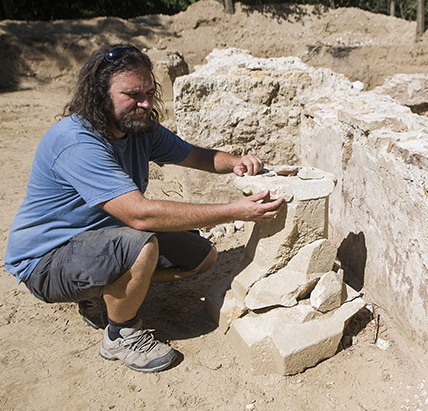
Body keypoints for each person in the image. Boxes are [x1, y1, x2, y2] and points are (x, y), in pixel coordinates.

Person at [4, 45, 284, 373]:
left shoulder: (139, 128)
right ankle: (120, 335)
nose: (146, 103)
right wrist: (233, 211)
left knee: (202, 257)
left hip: (101, 237)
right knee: (141, 246)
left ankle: (105, 296)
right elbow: (141, 214)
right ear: (99, 94)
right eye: (133, 94)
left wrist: (237, 162)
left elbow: (196, 156)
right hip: (46, 259)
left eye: (150, 92)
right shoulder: (77, 142)